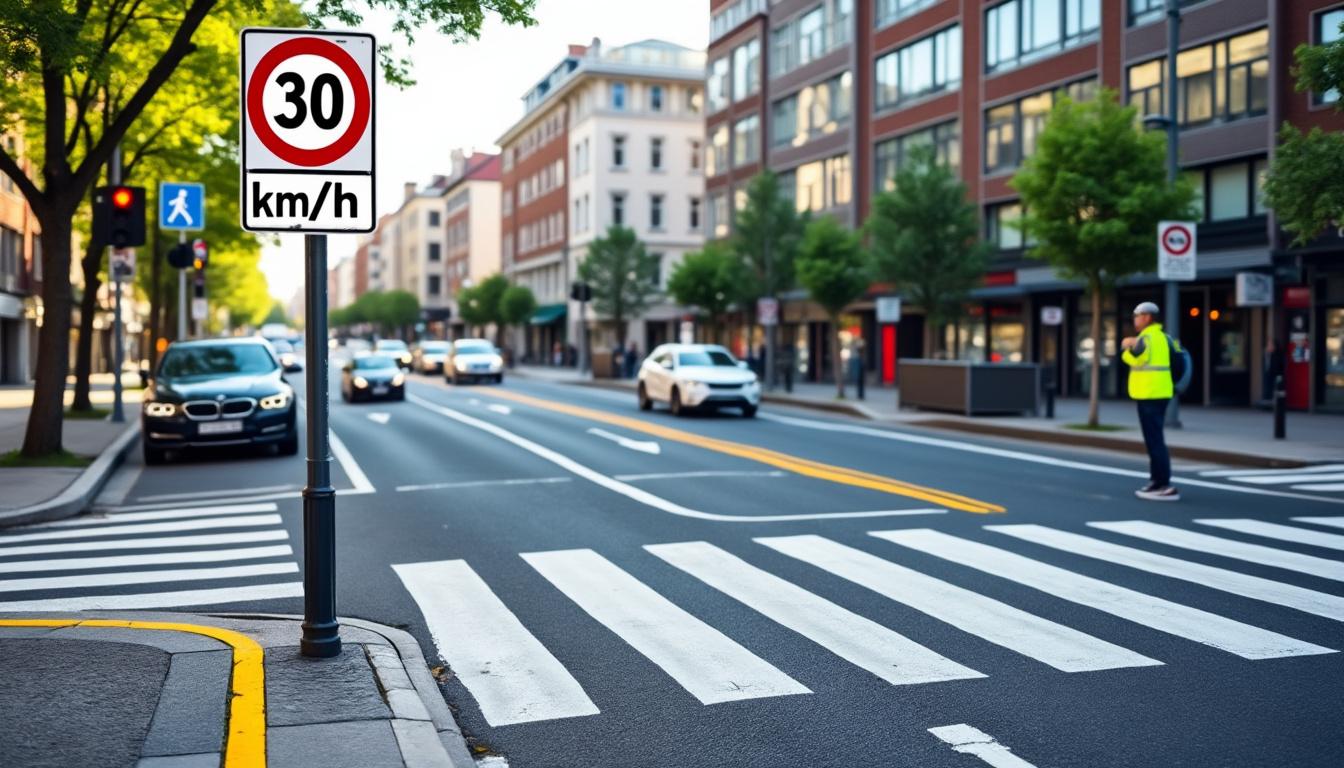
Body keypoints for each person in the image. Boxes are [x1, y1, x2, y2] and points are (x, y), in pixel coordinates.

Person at [1121, 301, 1180, 502]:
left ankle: (1163, 484)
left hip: (1148, 395)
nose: (1135, 320)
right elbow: (1178, 361)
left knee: (1154, 441)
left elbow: (1136, 360)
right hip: (1162, 393)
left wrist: (1126, 348)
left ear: (1147, 317)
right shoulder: (1165, 337)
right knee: (1156, 439)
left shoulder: (1145, 338)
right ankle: (1157, 481)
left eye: (1137, 316)